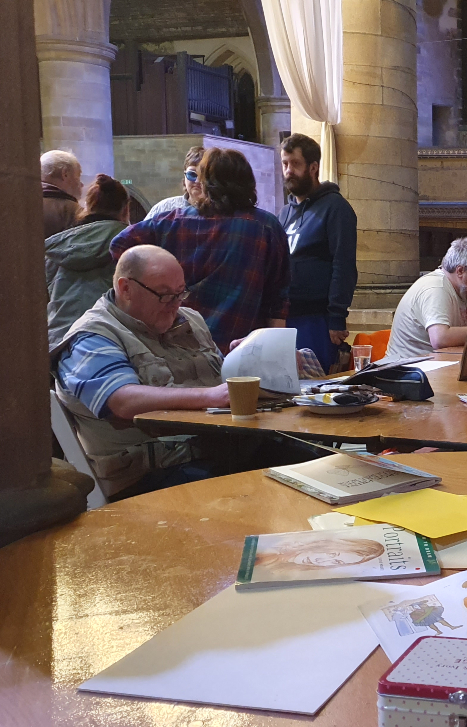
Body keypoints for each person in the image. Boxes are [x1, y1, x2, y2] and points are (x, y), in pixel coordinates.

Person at [51, 245, 231, 499]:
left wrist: (246, 358)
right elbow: (122, 400)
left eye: (181, 293)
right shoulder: (92, 337)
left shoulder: (190, 320)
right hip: (147, 478)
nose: (175, 305)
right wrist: (210, 397)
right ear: (126, 289)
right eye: (165, 295)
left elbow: (224, 384)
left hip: (213, 453)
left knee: (298, 461)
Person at [110, 147, 290, 352]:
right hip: (241, 350)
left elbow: (119, 245)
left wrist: (153, 291)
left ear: (206, 183)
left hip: (179, 345)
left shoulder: (173, 221)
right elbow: (278, 300)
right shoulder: (266, 226)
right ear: (249, 183)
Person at [277, 134, 358, 372]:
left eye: (295, 164)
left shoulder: (336, 208)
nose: (288, 170)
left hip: (317, 320)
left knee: (316, 384)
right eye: (284, 164)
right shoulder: (284, 214)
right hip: (286, 317)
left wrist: (336, 317)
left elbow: (343, 266)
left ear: (313, 168)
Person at [45, 174, 130, 348]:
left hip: (60, 340)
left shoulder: (58, 247)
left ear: (87, 206)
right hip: (111, 337)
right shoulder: (131, 243)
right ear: (125, 209)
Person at [384, 237, 467, 362]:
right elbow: (440, 338)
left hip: (438, 368)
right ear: (460, 270)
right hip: (405, 371)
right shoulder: (435, 287)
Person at [144, 146, 205, 219]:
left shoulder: (219, 213)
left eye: (203, 176)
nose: (197, 181)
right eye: (192, 174)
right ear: (184, 176)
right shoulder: (164, 208)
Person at [42, 150, 83, 239]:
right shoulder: (73, 211)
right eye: (78, 175)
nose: (81, 184)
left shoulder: (19, 202)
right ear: (65, 174)